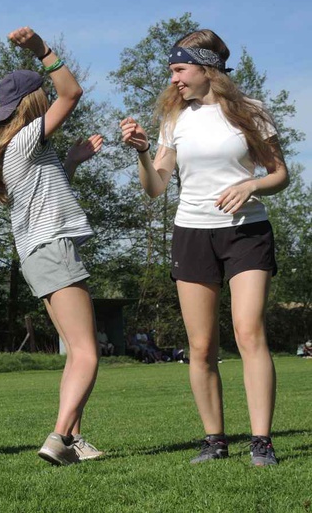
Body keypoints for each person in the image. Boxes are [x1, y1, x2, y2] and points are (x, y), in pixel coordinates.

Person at [120, 29, 289, 467]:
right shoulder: (174, 120)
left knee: (249, 332)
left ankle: (261, 442)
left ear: (206, 68)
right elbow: (156, 188)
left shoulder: (251, 113)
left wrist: (252, 184)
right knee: (200, 347)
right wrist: (141, 153)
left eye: (179, 69)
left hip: (246, 232)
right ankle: (214, 440)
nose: (173, 78)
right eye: (172, 70)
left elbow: (279, 174)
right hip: (192, 233)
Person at [0, 27, 104, 465]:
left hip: (38, 254)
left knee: (75, 351)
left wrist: (71, 162)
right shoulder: (27, 138)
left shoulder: (17, 148)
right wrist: (43, 51)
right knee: (89, 353)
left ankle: (73, 441)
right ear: (34, 102)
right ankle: (58, 438)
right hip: (53, 249)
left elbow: (45, 197)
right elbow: (71, 93)